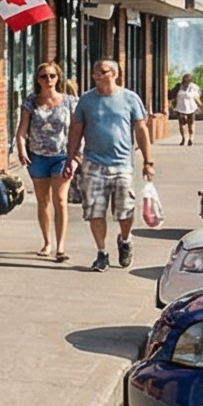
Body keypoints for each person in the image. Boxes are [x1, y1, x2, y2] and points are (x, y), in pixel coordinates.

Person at [64, 59, 154, 272]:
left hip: (122, 163)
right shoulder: (86, 100)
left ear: (115, 74)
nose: (97, 76)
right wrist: (71, 157)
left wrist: (148, 162)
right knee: (95, 210)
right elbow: (76, 128)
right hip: (93, 163)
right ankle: (101, 253)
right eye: (95, 73)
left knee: (124, 210)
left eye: (102, 72)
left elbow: (141, 129)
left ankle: (124, 240)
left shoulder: (130, 99)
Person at [16, 62, 75, 262]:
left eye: (52, 76)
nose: (48, 80)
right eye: (43, 76)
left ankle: (61, 247)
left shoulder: (69, 101)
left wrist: (75, 157)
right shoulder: (31, 102)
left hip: (62, 155)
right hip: (37, 156)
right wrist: (21, 149)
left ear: (58, 78)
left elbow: (77, 131)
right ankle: (46, 242)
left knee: (60, 199)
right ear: (38, 79)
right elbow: (22, 129)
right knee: (43, 202)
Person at [170, 76, 203, 146]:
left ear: (190, 81)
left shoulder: (194, 87)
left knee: (190, 124)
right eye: (184, 80)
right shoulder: (178, 86)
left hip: (191, 108)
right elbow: (172, 94)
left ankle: (191, 139)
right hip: (180, 108)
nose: (185, 82)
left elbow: (197, 96)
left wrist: (201, 105)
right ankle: (183, 138)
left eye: (187, 81)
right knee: (181, 124)